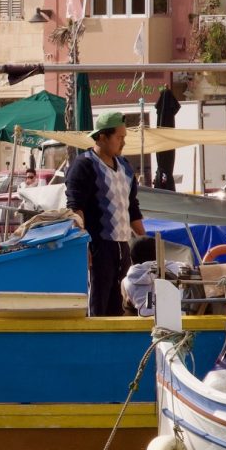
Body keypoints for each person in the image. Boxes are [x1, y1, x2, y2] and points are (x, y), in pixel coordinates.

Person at [63, 112, 147, 317]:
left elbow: (132, 207)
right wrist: (82, 244)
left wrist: (146, 241)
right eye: (119, 137)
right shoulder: (84, 165)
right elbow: (76, 208)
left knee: (119, 305)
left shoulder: (126, 167)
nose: (123, 142)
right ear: (102, 137)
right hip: (98, 246)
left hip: (122, 246)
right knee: (98, 304)